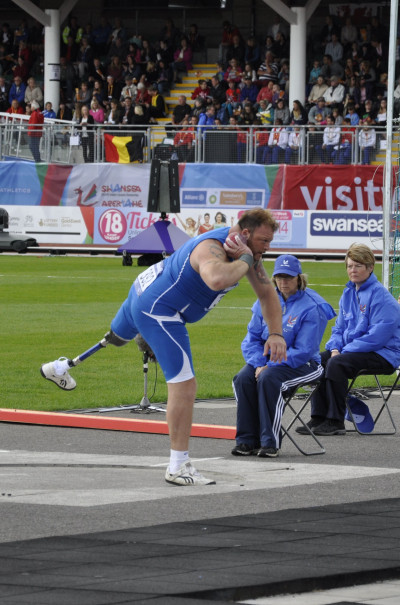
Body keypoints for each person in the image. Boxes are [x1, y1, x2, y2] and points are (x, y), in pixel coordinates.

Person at [41, 209, 287, 486]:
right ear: (244, 234)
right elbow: (218, 279)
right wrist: (243, 258)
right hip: (160, 311)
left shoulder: (248, 254)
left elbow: (267, 293)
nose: (267, 248)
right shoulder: (213, 248)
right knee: (184, 384)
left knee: (116, 337)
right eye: (264, 241)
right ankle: (178, 466)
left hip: (144, 290)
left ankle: (62, 367)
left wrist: (276, 334)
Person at [232, 255, 335, 457]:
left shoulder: (312, 306)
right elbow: (251, 339)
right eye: (279, 277)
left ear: (299, 278)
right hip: (267, 362)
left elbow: (305, 349)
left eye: (288, 277)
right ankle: (246, 440)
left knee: (268, 379)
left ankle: (270, 442)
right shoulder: (265, 300)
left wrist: (270, 365)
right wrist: (261, 362)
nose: (283, 282)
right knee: (242, 379)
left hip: (305, 364)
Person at [297, 243, 400, 437]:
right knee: (318, 360)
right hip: (352, 351)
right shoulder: (348, 293)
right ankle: (319, 417)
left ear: (370, 268)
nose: (353, 270)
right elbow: (339, 328)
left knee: (336, 364)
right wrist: (335, 347)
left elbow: (376, 338)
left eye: (358, 266)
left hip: (384, 354)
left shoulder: (382, 297)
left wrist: (343, 351)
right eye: (350, 266)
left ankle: (335, 421)